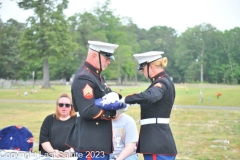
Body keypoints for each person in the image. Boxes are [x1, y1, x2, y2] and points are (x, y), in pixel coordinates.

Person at [65, 41, 126, 160]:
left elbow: (108, 95)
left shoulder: (97, 76)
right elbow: (87, 110)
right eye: (106, 58)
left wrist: (117, 99)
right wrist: (114, 112)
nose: (109, 61)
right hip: (90, 143)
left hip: (98, 142)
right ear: (94, 55)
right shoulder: (85, 77)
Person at [118, 51, 177, 160]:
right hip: (158, 140)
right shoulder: (164, 80)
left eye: (143, 68)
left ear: (151, 67)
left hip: (156, 142)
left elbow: (151, 96)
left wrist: (126, 100)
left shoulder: (161, 83)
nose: (142, 72)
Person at [39, 93, 76, 158]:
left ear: (71, 107)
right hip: (50, 156)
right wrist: (52, 152)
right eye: (61, 105)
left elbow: (81, 140)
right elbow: (43, 139)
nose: (64, 107)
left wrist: (72, 151)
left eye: (67, 105)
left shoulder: (77, 120)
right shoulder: (49, 119)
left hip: (72, 157)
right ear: (57, 106)